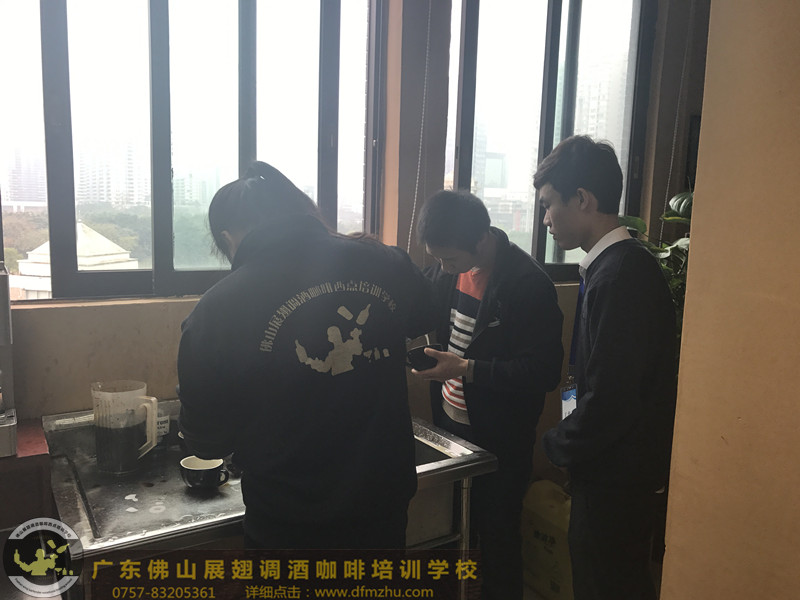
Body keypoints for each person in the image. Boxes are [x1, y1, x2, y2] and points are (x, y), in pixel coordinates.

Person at [177, 161, 437, 549]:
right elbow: (425, 316)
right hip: (382, 507)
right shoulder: (386, 262)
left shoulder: (216, 311)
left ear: (229, 237)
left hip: (287, 522)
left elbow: (206, 443)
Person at [535, 135, 677, 600]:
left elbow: (613, 396)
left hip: (618, 478)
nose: (545, 219)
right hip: (608, 467)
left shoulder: (621, 276)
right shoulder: (610, 268)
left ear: (582, 199)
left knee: (608, 583)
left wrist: (557, 444)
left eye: (549, 204)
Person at [413, 190, 564, 600]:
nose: (443, 268)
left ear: (481, 240)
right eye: (437, 259)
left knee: (498, 535)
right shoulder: (449, 272)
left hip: (501, 437)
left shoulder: (528, 285)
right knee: (454, 529)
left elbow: (543, 372)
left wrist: (465, 369)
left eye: (449, 259)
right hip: (450, 428)